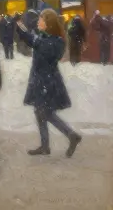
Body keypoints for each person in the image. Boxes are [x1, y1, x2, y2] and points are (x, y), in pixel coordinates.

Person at [17, 10, 82, 157]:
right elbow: (32, 40)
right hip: (41, 80)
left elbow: (39, 45)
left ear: (49, 24)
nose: (38, 22)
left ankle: (71, 135)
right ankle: (46, 145)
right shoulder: (44, 37)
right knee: (41, 112)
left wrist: (26, 33)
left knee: (45, 112)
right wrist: (21, 28)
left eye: (41, 20)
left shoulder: (56, 41)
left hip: (48, 82)